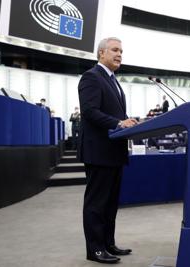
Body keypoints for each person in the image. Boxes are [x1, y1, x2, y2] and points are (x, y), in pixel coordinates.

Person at [78, 37, 138, 264]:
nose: (119, 54)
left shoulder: (114, 81)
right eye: (114, 50)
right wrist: (117, 123)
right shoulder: (91, 77)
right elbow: (90, 111)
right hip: (98, 151)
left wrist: (125, 121)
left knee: (111, 202)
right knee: (97, 203)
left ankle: (108, 243)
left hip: (114, 151)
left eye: (121, 50)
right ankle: (94, 249)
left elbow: (112, 114)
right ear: (101, 53)